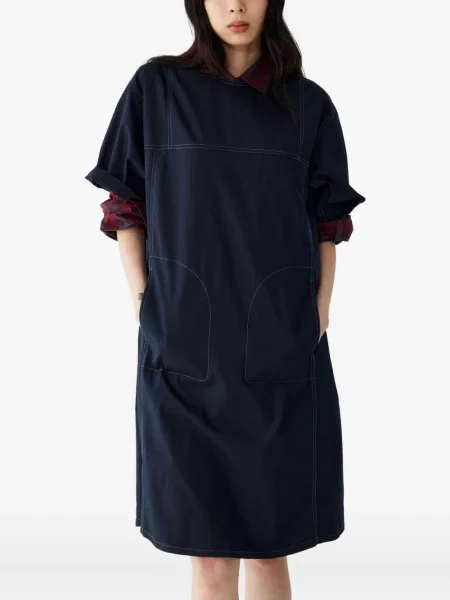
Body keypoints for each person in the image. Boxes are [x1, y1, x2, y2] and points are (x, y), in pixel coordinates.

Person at [85, 1, 366, 598]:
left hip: (279, 348)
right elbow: (124, 202)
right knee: (209, 557)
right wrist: (145, 301)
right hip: (184, 349)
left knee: (269, 550)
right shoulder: (157, 89)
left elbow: (328, 220)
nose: (235, 5)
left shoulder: (307, 105)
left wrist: (319, 309)